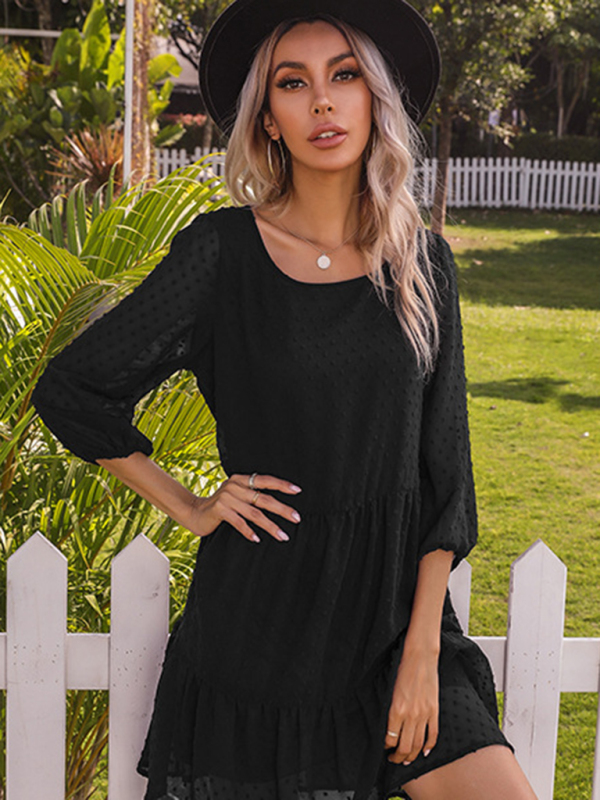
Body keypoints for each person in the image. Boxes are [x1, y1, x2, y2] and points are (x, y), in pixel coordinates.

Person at [31, 1, 540, 799]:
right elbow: (72, 389)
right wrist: (191, 505)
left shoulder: (422, 265)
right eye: (293, 84)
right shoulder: (221, 256)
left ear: (375, 97)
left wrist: (421, 652)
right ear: (267, 118)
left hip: (392, 626)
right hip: (262, 630)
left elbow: (446, 475)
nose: (323, 101)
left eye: (345, 76)